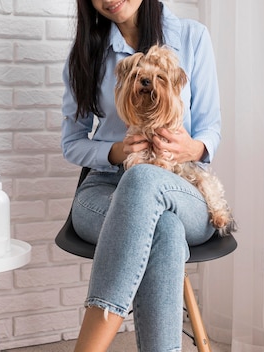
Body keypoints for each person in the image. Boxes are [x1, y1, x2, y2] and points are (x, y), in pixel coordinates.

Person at [61, 0, 221, 351]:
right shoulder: (88, 54)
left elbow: (211, 129)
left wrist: (190, 148)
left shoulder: (193, 37)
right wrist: (119, 151)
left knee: (144, 181)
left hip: (181, 188)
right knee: (161, 226)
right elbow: (71, 143)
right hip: (104, 189)